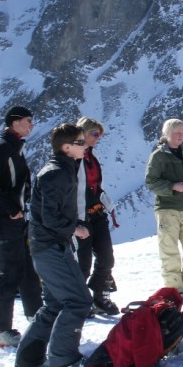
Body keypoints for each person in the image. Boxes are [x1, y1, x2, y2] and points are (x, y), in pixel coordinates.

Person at [14, 123, 93, 367]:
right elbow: (49, 218)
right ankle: (63, 360)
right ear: (67, 147)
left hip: (47, 244)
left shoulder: (64, 168)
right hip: (50, 246)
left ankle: (29, 358)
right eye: (80, 142)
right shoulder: (55, 173)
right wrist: (75, 229)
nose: (85, 146)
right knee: (79, 300)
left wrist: (72, 225)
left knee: (56, 303)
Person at [0, 105, 42, 348]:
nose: (31, 125)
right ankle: (1, 329)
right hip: (3, 219)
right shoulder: (2, 147)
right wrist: (11, 206)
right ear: (14, 123)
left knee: (26, 268)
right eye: (28, 121)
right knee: (10, 271)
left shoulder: (14, 147)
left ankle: (37, 318)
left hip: (14, 219)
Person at [145, 118, 183, 301]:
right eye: (177, 133)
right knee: (169, 250)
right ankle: (174, 289)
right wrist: (172, 186)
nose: (181, 136)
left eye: (182, 132)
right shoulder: (158, 156)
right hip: (166, 209)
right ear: (167, 134)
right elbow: (151, 182)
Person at [75, 117, 120, 316]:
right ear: (83, 132)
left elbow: (96, 186)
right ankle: (79, 300)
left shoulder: (92, 156)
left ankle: (98, 294)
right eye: (94, 134)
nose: (97, 138)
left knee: (106, 257)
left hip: (97, 212)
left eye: (99, 135)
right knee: (83, 263)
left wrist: (107, 204)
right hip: (80, 216)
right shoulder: (73, 158)